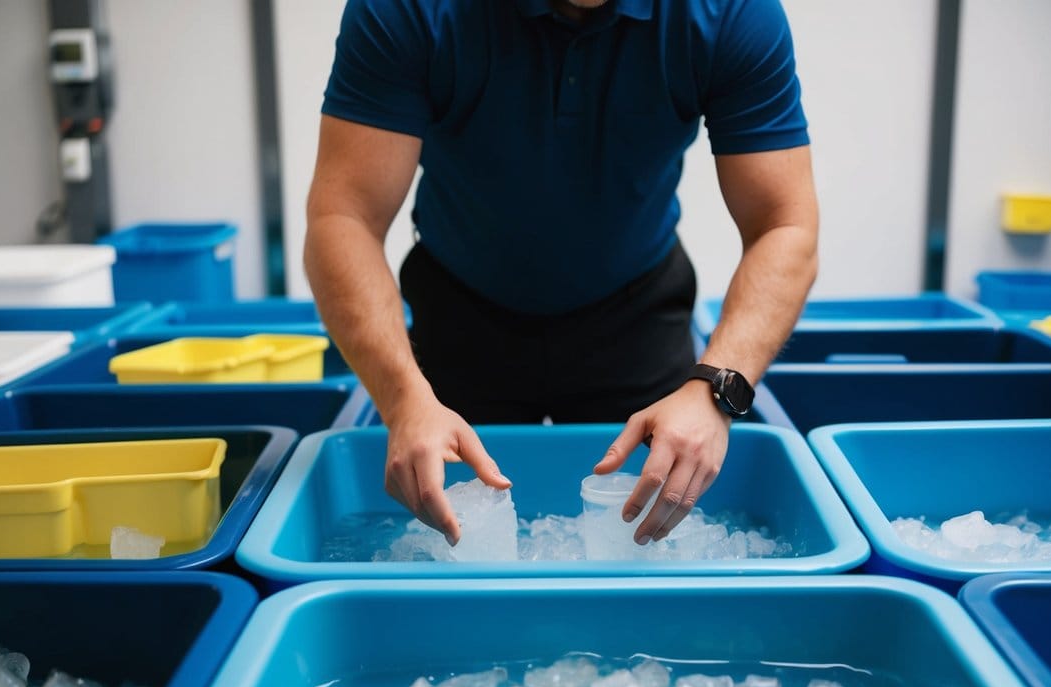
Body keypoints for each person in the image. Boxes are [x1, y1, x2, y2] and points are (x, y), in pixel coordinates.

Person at [305, 0, 818, 549]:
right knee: (448, 549)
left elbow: (784, 226)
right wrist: (403, 399)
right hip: (460, 310)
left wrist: (716, 390)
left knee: (651, 546)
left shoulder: (732, 12)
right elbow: (345, 219)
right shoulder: (408, 9)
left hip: (635, 310)